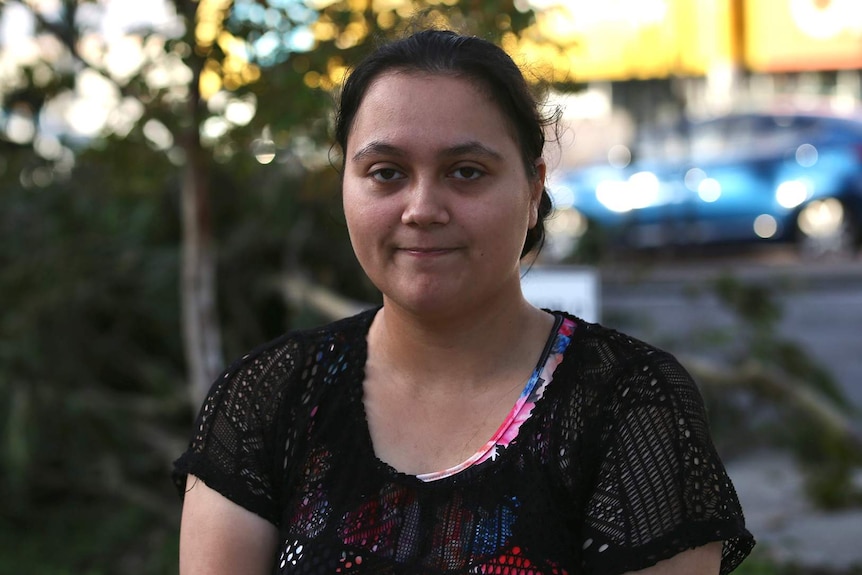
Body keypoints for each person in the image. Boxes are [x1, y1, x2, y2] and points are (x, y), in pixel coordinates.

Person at [174, 28, 755, 575]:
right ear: (345, 187)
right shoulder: (267, 398)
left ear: (533, 190)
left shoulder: (631, 405)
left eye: (467, 171)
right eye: (386, 172)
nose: (423, 208)